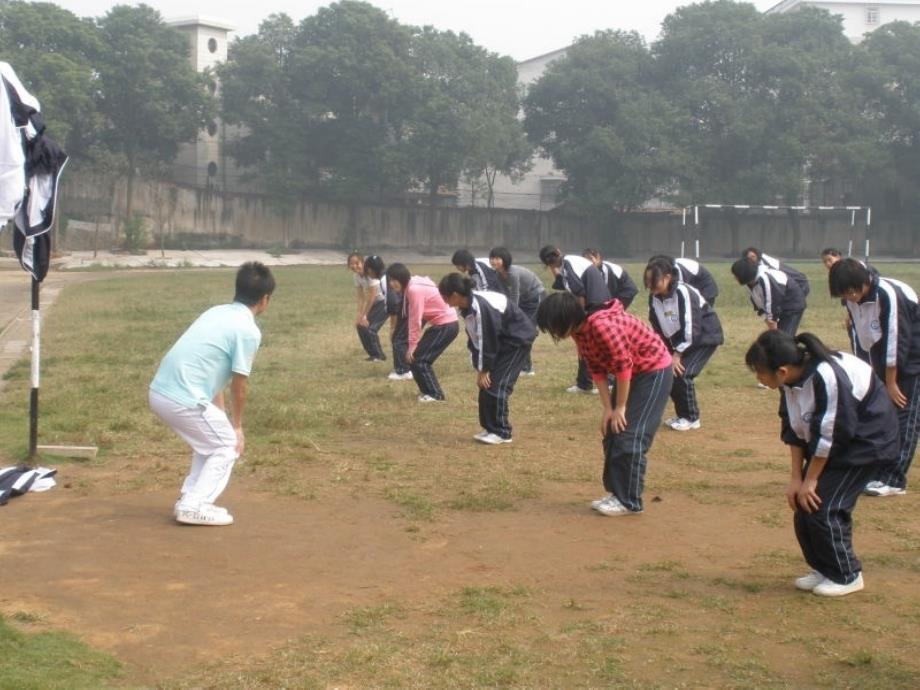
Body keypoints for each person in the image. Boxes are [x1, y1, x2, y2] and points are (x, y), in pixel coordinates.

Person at [744, 330, 899, 597]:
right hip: (833, 444)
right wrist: (796, 478)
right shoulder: (788, 383)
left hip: (866, 442)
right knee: (803, 505)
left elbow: (831, 432)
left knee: (824, 506)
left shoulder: (827, 377)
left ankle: (847, 574)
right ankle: (824, 568)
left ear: (781, 370)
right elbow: (794, 428)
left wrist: (811, 480)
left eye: (759, 372)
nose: (757, 378)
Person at [149, 262, 275, 526]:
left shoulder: (217, 312)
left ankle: (189, 498)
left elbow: (215, 375)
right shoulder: (248, 330)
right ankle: (195, 506)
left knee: (210, 441)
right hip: (181, 397)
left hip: (161, 391)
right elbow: (239, 385)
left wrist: (221, 417)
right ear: (265, 299)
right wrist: (237, 427)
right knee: (227, 444)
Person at [536, 292, 672, 516]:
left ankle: (630, 501)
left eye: (553, 326)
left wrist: (621, 407)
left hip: (653, 370)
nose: (553, 333)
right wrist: (608, 409)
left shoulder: (601, 326)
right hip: (632, 373)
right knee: (612, 430)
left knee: (631, 435)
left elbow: (623, 365)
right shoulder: (579, 332)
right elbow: (596, 368)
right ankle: (617, 494)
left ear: (566, 318)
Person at [829, 258, 920, 496]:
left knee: (905, 416)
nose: (848, 299)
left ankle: (894, 478)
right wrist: (864, 372)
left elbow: (896, 338)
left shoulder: (889, 294)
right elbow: (860, 336)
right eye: (844, 295)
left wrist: (890, 382)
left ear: (863, 282)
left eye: (850, 292)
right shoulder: (853, 299)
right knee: (878, 415)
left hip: (912, 361)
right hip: (883, 362)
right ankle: (875, 470)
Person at [439, 273, 536, 444]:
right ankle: (490, 428)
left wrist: (484, 370)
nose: (444, 301)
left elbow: (487, 340)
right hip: (503, 341)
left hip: (517, 341)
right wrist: (480, 368)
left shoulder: (481, 308)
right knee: (486, 385)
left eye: (445, 297)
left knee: (497, 385)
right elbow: (474, 340)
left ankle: (502, 432)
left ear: (454, 295)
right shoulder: (466, 307)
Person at [645, 256, 723, 432]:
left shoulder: (683, 292)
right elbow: (658, 326)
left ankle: (692, 418)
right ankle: (682, 415)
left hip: (705, 337)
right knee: (669, 370)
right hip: (682, 341)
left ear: (667, 277)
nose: (650, 286)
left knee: (683, 373)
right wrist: (666, 352)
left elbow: (691, 325)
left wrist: (677, 354)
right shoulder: (655, 297)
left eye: (653, 281)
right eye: (648, 281)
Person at [538, 244, 612, 393]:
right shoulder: (566, 264)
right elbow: (563, 285)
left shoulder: (569, 263)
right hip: (593, 305)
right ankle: (584, 383)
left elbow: (579, 292)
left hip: (595, 307)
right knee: (585, 346)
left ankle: (608, 381)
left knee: (596, 345)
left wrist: (579, 318)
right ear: (558, 251)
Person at [387, 263, 459, 402]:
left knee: (420, 360)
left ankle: (435, 395)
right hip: (444, 325)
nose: (391, 284)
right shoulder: (416, 282)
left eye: (393, 280)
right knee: (416, 360)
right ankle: (428, 393)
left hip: (446, 325)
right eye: (389, 280)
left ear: (401, 279)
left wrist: (412, 346)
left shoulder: (414, 290)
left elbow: (415, 319)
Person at [489, 246, 545, 375]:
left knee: (525, 331)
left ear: (505, 259)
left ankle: (527, 368)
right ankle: (523, 366)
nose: (493, 261)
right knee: (520, 331)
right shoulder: (498, 274)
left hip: (535, 297)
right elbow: (504, 295)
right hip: (525, 300)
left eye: (497, 258)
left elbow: (514, 295)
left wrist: (512, 314)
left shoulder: (513, 273)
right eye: (492, 258)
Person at [363, 255, 412, 381]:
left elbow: (392, 301)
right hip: (405, 309)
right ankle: (406, 368)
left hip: (403, 311)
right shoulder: (386, 277)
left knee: (397, 339)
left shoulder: (385, 279)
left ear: (370, 270)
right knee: (401, 339)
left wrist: (393, 326)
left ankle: (403, 370)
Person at [731, 257, 806, 335]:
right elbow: (759, 305)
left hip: (792, 305)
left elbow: (772, 304)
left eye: (736, 275)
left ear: (744, 273)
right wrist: (769, 321)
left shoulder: (765, 278)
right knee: (779, 337)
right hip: (779, 307)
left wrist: (773, 330)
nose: (735, 278)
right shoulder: (749, 283)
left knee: (784, 337)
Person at [347, 252, 387, 363]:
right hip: (374, 303)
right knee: (360, 326)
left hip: (384, 302)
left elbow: (372, 297)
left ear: (363, 263)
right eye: (351, 264)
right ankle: (373, 354)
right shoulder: (356, 277)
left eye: (357, 263)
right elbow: (361, 298)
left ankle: (380, 356)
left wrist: (365, 315)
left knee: (371, 328)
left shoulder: (370, 274)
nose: (354, 266)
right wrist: (359, 316)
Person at [649, 254, 719, 306]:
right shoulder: (667, 272)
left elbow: (682, 293)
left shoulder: (678, 272)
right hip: (694, 287)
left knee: (698, 317)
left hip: (705, 288)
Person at [743, 246, 811, 299]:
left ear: (757, 256)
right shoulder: (761, 261)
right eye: (749, 258)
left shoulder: (765, 265)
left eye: (753, 257)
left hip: (801, 285)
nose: (751, 259)